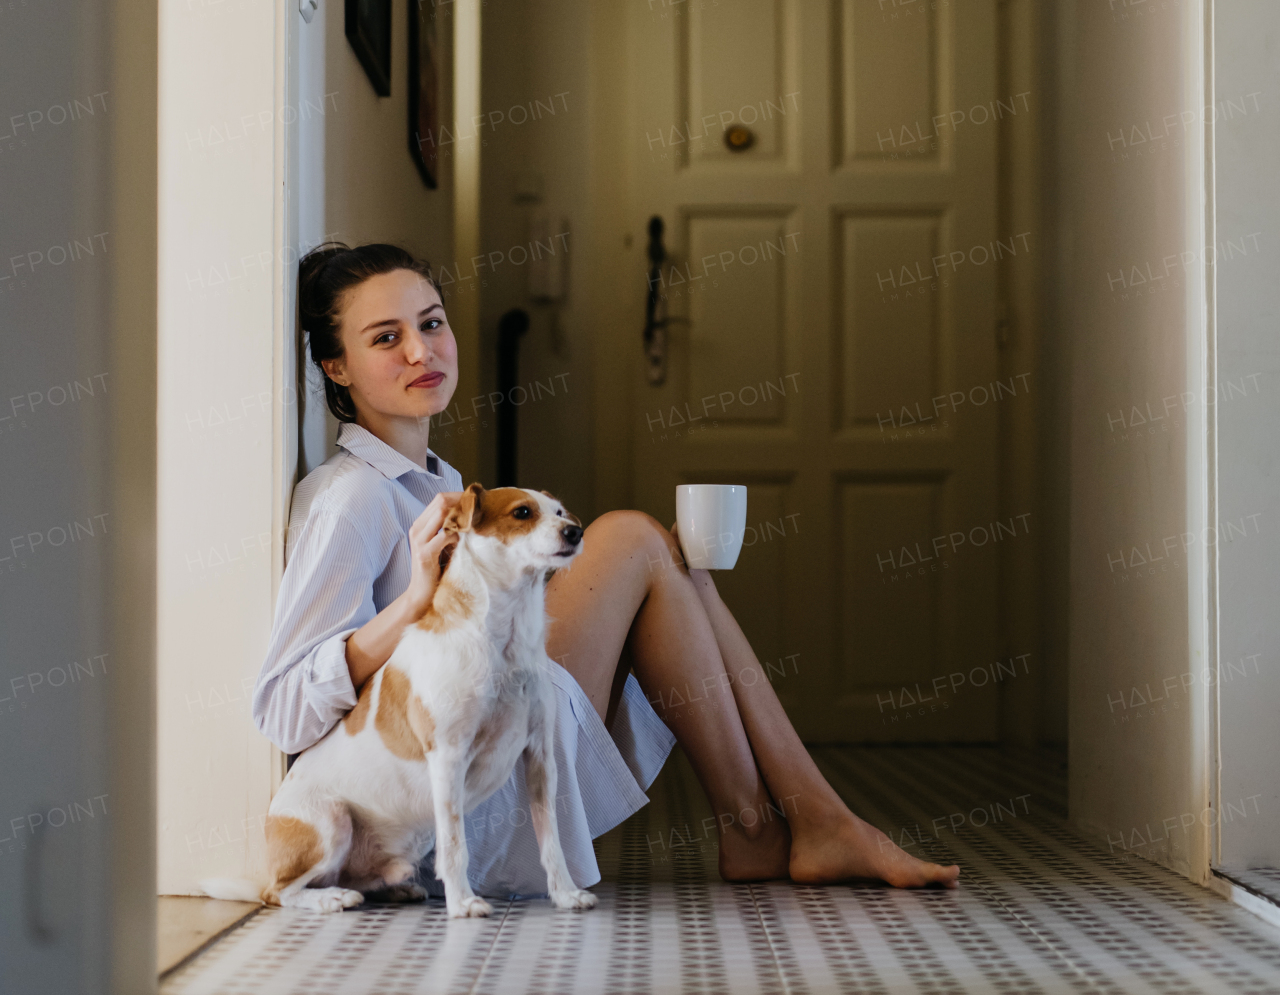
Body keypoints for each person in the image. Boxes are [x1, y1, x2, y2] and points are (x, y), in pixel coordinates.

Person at [253, 240, 959, 898]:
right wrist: (411, 604)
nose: (420, 350)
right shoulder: (351, 497)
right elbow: (283, 710)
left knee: (674, 563)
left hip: (486, 754)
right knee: (633, 540)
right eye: (386, 338)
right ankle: (783, 826)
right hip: (444, 814)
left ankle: (778, 827)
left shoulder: (434, 483)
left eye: (431, 323)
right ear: (335, 367)